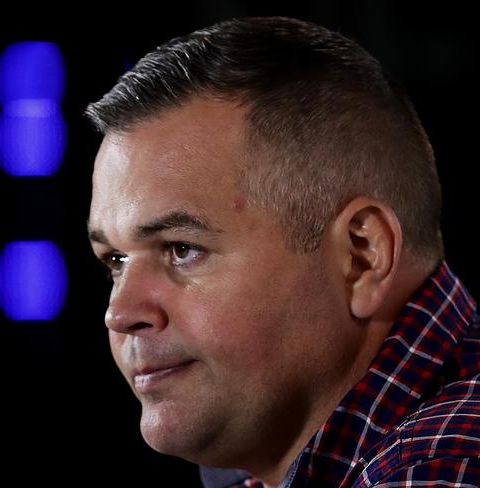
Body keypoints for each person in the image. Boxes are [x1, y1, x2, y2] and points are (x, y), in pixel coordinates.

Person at [84, 17, 480, 487]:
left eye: (181, 249)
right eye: (116, 261)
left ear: (362, 257)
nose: (120, 313)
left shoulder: (444, 466)